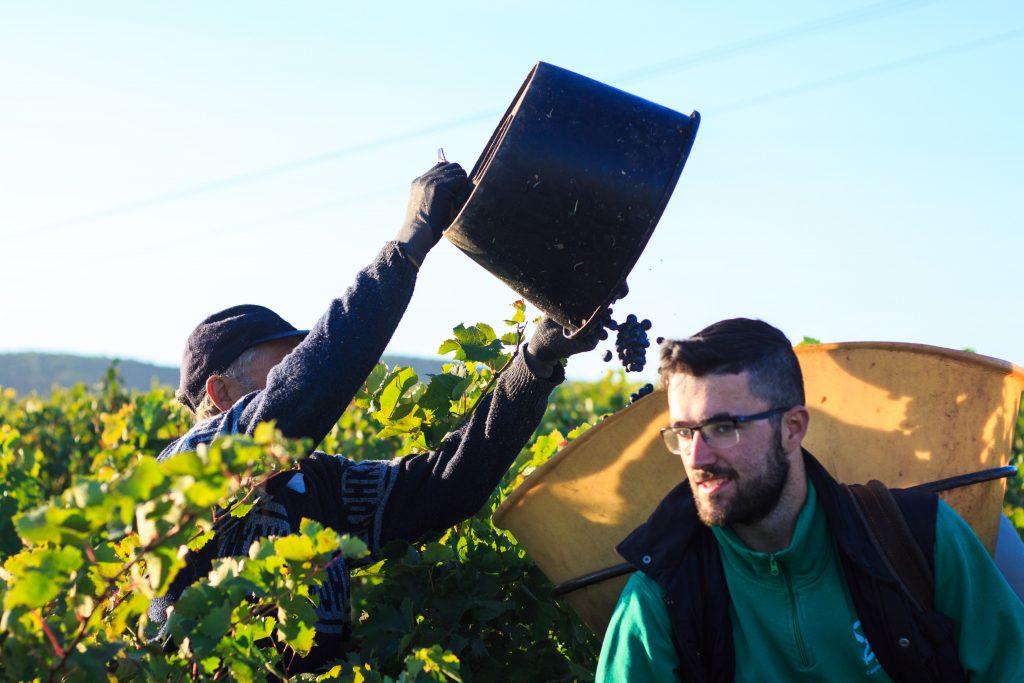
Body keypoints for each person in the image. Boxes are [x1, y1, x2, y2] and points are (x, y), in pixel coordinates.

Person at [149, 160, 599, 672]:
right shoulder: (187, 474)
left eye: (297, 362)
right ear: (222, 392)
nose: (297, 372)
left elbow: (444, 486)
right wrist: (405, 248)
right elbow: (312, 380)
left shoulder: (317, 485)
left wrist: (534, 364)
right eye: (282, 368)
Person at [596, 318, 1024, 683]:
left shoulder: (918, 537)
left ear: (792, 428)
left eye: (722, 427)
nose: (697, 457)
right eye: (683, 433)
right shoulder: (662, 598)